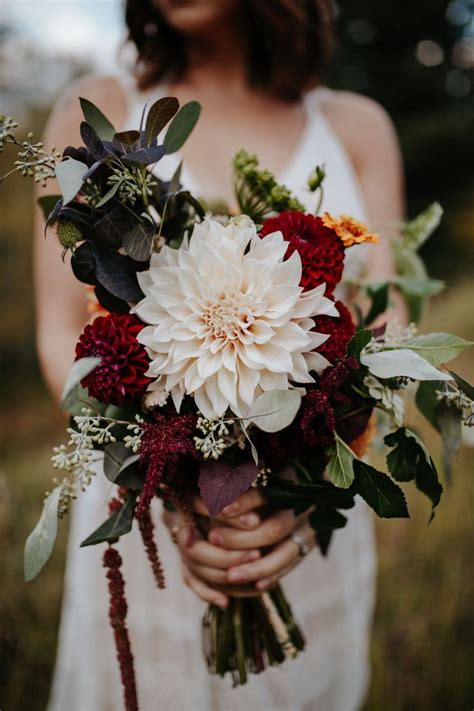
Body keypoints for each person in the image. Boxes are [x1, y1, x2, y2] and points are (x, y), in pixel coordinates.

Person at [35, 1, 405, 709]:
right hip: (155, 515)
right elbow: (60, 330)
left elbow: (388, 321)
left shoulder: (357, 127)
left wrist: (303, 497)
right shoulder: (103, 107)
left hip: (309, 517)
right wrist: (167, 478)